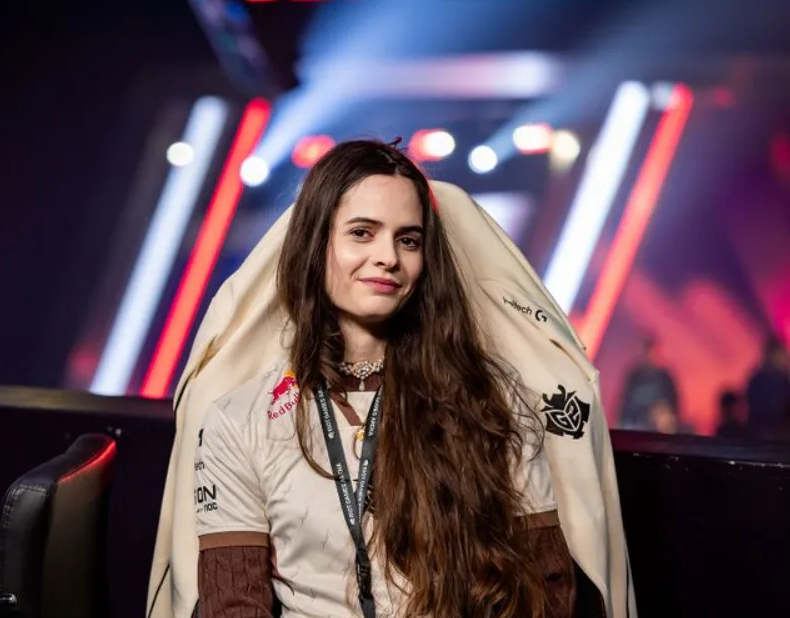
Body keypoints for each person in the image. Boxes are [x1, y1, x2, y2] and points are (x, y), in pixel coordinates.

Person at [146, 140, 635, 618]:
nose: (389, 257)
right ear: (316, 243)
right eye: (362, 232)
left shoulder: (490, 399)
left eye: (408, 240)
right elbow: (234, 604)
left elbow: (546, 589)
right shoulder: (241, 419)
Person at [618, 339, 679, 432]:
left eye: (653, 353)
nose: (650, 356)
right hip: (636, 422)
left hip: (661, 422)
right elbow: (625, 405)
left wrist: (663, 412)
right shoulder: (634, 377)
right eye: (648, 353)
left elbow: (674, 403)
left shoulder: (665, 377)